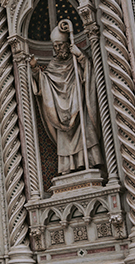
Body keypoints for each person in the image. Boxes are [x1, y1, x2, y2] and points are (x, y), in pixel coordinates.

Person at [30, 20, 102, 175]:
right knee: (65, 140)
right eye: (55, 46)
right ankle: (68, 167)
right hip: (60, 110)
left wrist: (81, 57)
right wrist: (35, 69)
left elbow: (89, 76)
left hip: (79, 106)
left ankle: (89, 162)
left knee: (85, 131)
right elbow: (44, 84)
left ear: (67, 44)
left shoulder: (76, 60)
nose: (57, 49)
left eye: (60, 45)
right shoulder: (53, 65)